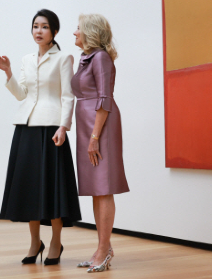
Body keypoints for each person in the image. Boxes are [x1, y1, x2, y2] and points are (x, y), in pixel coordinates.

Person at [0, 9, 81, 266]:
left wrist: (64, 127)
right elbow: (22, 94)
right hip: (26, 127)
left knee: (52, 188)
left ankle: (56, 242)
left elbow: (68, 95)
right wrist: (8, 72)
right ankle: (35, 242)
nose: (38, 31)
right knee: (30, 187)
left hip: (51, 128)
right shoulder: (27, 59)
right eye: (35, 26)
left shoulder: (63, 58)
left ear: (54, 31)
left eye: (44, 27)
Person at [71, 14, 129, 273]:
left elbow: (105, 99)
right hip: (88, 125)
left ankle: (104, 250)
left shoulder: (101, 58)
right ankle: (102, 247)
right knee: (96, 187)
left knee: (104, 188)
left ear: (91, 32)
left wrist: (95, 138)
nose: (75, 32)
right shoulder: (87, 58)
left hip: (100, 126)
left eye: (78, 28)